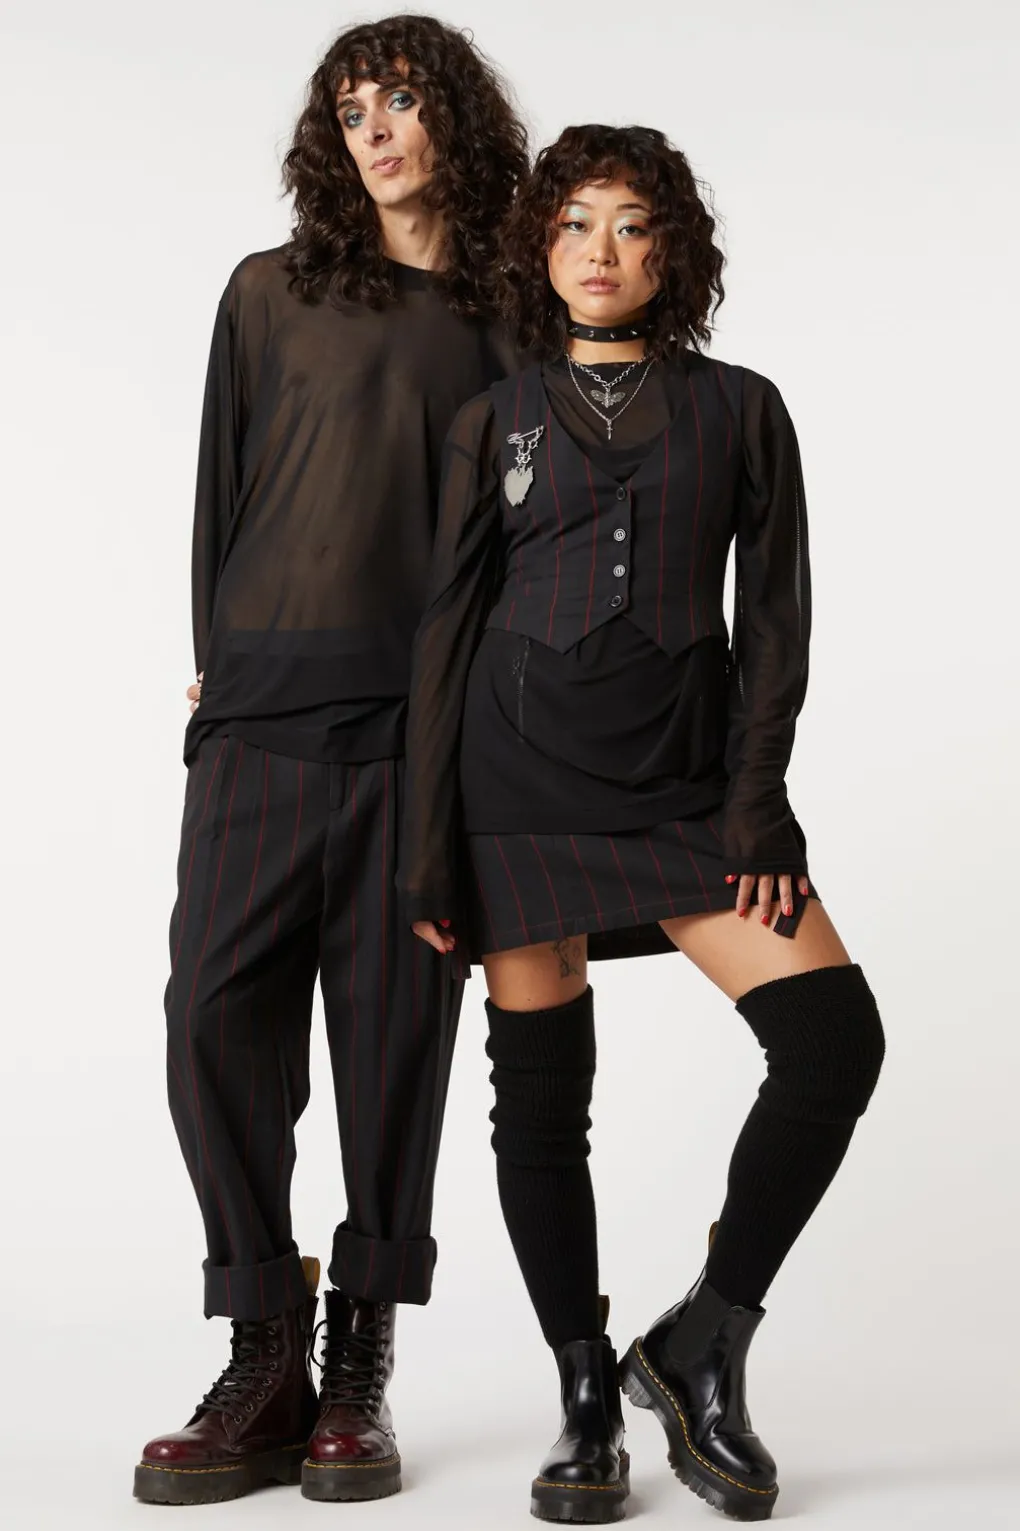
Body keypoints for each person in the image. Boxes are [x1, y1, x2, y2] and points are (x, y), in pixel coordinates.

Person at [398, 124, 885, 1524]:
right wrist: (428, 850)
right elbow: (445, 637)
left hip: (687, 784)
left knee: (834, 1041)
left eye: (629, 223)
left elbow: (776, 624)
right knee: (541, 1100)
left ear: (672, 250)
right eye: (573, 224)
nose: (599, 251)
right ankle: (582, 1393)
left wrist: (759, 803)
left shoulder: (743, 409)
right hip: (513, 785)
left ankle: (705, 1338)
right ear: (538, 248)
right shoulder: (492, 419)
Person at [133, 15, 527, 1508]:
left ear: (451, 120)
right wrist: (224, 668)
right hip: (258, 725)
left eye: (401, 100)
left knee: (391, 1047)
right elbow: (220, 493)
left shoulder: (509, 321)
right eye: (350, 109)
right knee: (209, 1016)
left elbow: (527, 548)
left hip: (421, 740)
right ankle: (263, 1347)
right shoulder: (268, 291)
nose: (374, 131)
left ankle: (359, 1356)